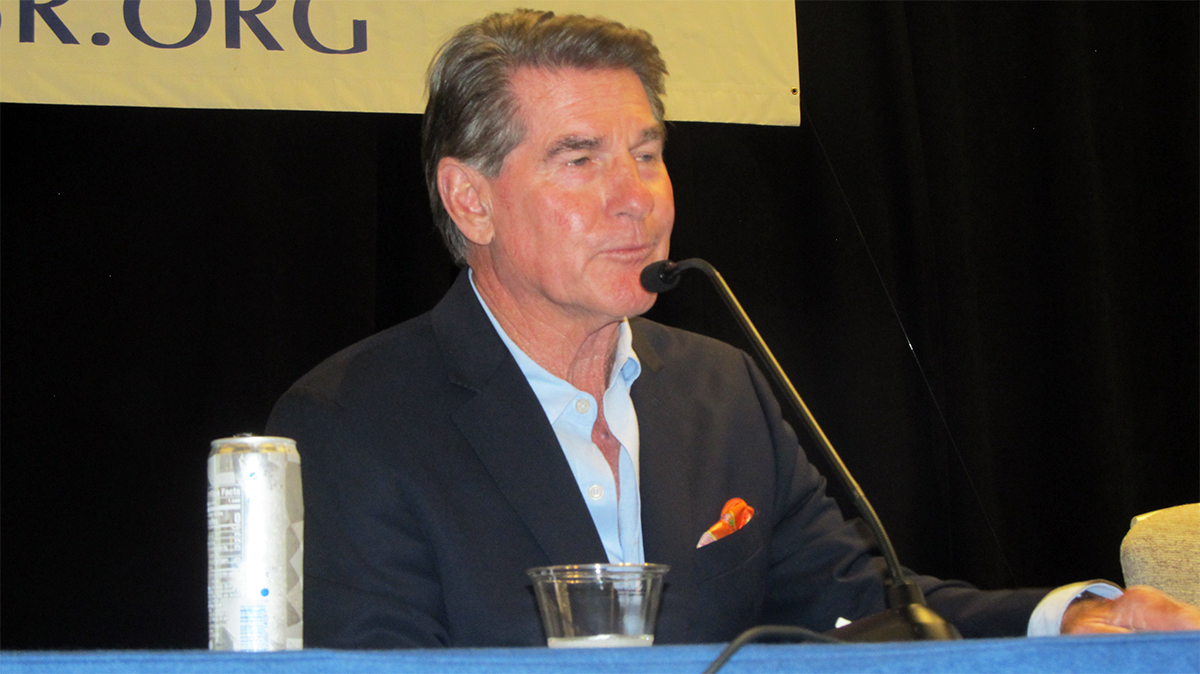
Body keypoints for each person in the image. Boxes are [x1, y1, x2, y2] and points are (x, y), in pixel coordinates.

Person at [265, 9, 1200, 648]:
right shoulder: (352, 422)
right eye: (580, 158)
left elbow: (863, 609)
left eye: (647, 152)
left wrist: (1067, 619)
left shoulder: (720, 389)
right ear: (470, 200)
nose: (636, 198)